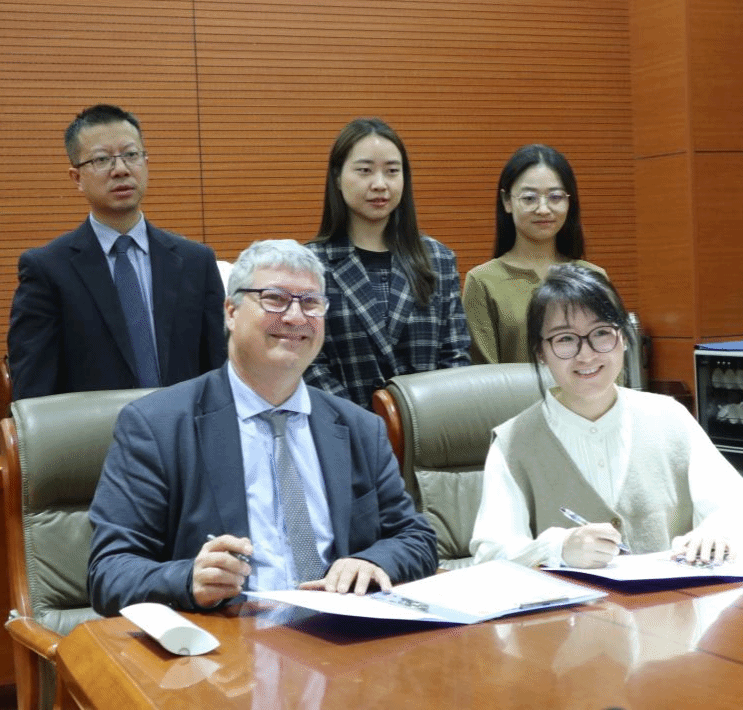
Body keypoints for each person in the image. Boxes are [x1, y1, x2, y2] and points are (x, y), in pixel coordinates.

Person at [87, 239, 437, 615]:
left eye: (311, 302)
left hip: (341, 634)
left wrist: (372, 561)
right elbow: (109, 572)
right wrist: (189, 579)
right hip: (226, 637)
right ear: (231, 312)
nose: (295, 317)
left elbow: (415, 538)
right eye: (274, 299)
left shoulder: (359, 427)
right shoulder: (157, 425)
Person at [469, 264, 743, 569]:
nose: (586, 355)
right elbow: (491, 554)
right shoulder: (513, 442)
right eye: (565, 339)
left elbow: (742, 508)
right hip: (568, 601)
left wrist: (718, 531)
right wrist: (558, 549)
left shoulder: (669, 417)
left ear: (624, 338)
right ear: (540, 352)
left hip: (670, 597)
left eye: (601, 333)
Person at [7, 104, 226, 401]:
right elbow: (34, 387)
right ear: (76, 178)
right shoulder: (47, 269)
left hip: (183, 425)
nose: (121, 169)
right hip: (96, 429)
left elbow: (218, 367)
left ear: (146, 163)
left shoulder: (196, 262)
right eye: (101, 159)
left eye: (131, 155)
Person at [305, 118, 469, 410]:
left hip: (430, 427)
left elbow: (455, 356)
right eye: (365, 171)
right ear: (338, 177)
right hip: (345, 427)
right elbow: (309, 363)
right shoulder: (310, 265)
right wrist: (366, 425)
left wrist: (421, 422)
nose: (380, 184)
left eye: (392, 171)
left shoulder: (439, 259)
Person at [462, 145, 606, 365]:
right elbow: (482, 378)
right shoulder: (482, 282)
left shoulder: (594, 277)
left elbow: (610, 365)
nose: (543, 209)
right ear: (507, 201)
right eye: (529, 198)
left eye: (555, 197)